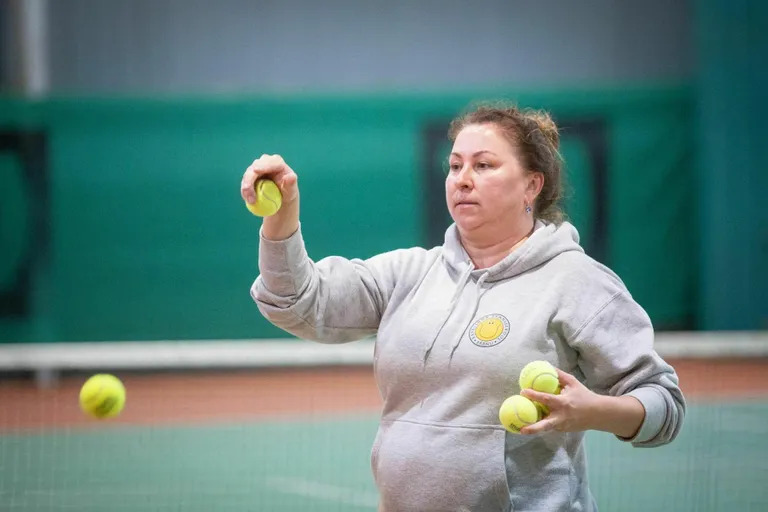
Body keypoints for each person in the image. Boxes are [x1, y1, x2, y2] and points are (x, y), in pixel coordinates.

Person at [242, 103, 686, 512]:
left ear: (532, 184)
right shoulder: (408, 273)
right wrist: (282, 219)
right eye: (455, 165)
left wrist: (592, 411)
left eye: (484, 165)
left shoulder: (576, 281)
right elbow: (298, 303)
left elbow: (663, 403)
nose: (462, 178)